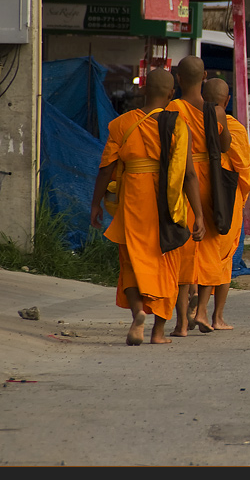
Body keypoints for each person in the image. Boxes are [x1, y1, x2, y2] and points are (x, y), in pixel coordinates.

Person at [90, 68, 206, 346]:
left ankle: (138, 313)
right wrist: (199, 214)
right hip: (169, 203)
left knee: (131, 261)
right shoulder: (178, 125)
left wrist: (95, 203)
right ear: (170, 94)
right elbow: (189, 174)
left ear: (143, 90)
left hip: (133, 199)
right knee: (167, 263)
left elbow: (106, 168)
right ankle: (157, 332)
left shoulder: (122, 124)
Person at [166, 56, 231, 336]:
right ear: (204, 76)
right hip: (209, 184)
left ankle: (181, 323)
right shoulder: (214, 111)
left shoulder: (173, 108)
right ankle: (203, 311)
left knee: (183, 251)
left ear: (178, 79)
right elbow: (225, 145)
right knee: (208, 248)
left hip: (182, 180)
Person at [193, 78, 250, 331]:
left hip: (192, 194)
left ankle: (187, 316)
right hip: (225, 199)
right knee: (223, 258)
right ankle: (213, 316)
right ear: (227, 101)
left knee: (193, 257)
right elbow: (244, 168)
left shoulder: (187, 121)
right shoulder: (233, 128)